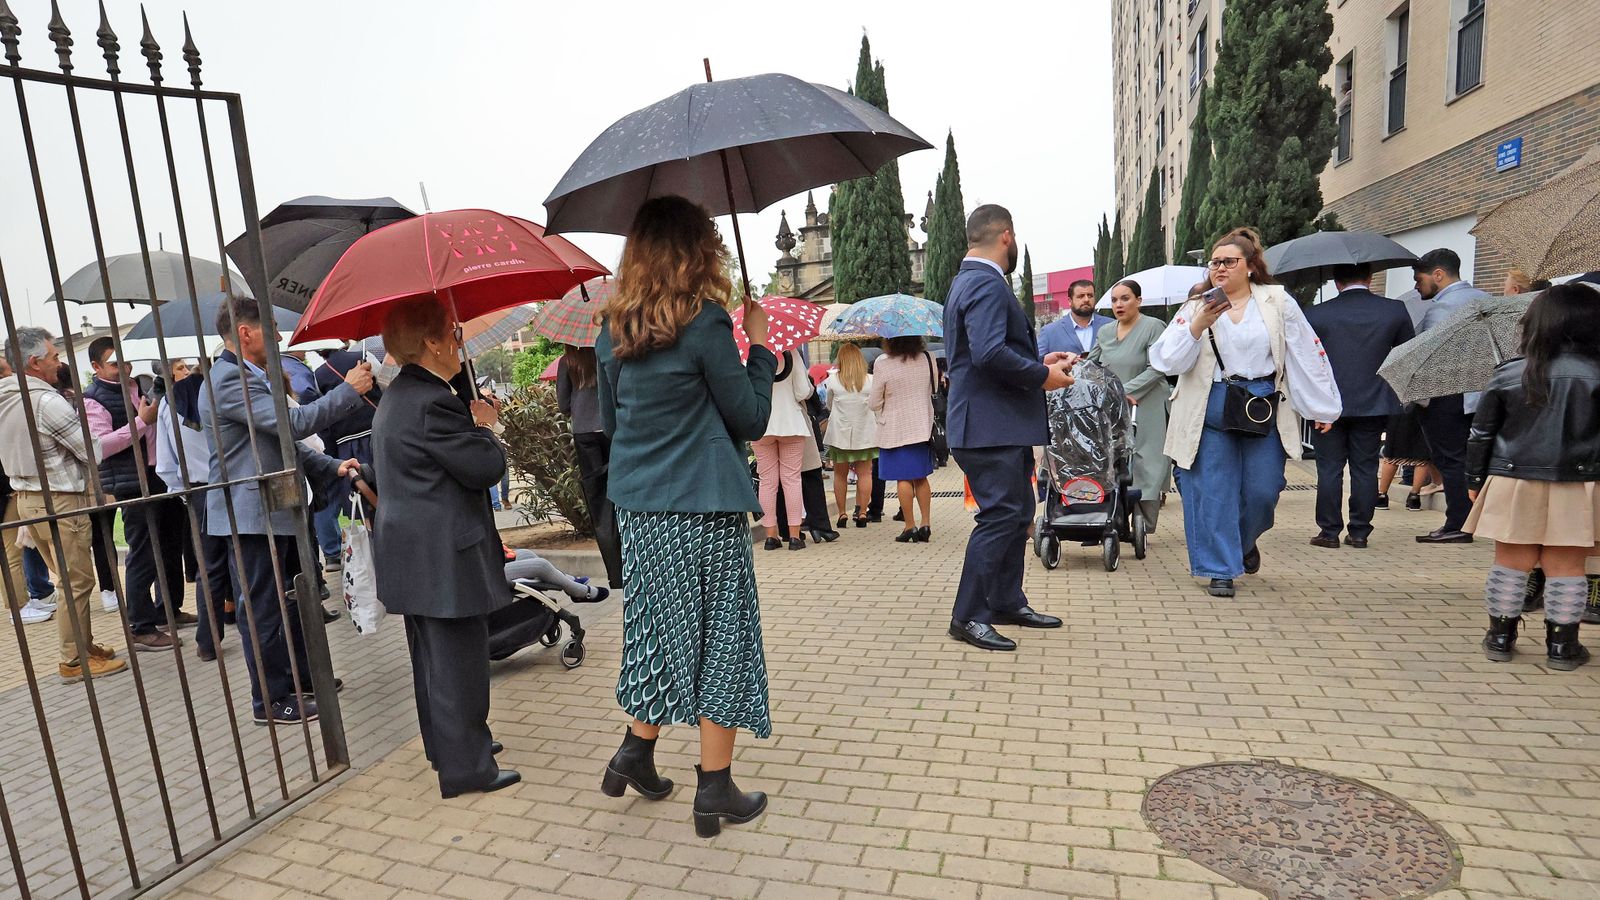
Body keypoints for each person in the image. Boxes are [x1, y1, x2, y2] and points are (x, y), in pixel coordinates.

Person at [595, 195, 774, 838]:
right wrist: (761, 349)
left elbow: (615, 425)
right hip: (701, 506)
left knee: (657, 629)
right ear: (696, 250)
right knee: (719, 640)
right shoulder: (705, 323)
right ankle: (714, 789)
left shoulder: (610, 332)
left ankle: (635, 751)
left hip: (641, 509)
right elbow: (749, 417)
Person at [369, 295, 521, 799]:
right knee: (458, 663)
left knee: (434, 660)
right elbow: (483, 468)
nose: (460, 342)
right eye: (454, 333)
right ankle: (467, 769)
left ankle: (450, 746)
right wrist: (483, 425)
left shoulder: (403, 393)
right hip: (442, 555)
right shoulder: (434, 401)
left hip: (416, 552)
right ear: (431, 343)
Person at [201, 296, 368, 726]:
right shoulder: (228, 379)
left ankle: (303, 679)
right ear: (245, 332)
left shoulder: (252, 376)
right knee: (264, 608)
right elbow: (294, 426)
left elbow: (283, 446)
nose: (278, 338)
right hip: (251, 514)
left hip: (278, 507)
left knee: (295, 598)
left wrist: (333, 466)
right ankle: (271, 701)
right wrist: (348, 391)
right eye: (271, 328)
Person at [1149, 227, 1342, 598]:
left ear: (1251, 267)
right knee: (1213, 490)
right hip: (1209, 403)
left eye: (1229, 261)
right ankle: (1220, 568)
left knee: (1264, 490)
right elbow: (1166, 360)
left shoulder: (1277, 301)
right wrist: (1197, 324)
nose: (1219, 268)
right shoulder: (1197, 306)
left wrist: (1323, 406)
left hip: (1260, 402)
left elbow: (1305, 352)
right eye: (1215, 262)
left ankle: (1241, 542)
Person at [943, 204, 1073, 651]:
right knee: (1001, 517)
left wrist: (1040, 363)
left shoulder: (971, 281)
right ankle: (968, 616)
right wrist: (1042, 376)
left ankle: (1005, 600)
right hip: (988, 428)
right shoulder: (984, 282)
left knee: (1017, 514)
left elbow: (987, 356)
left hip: (997, 425)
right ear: (1007, 237)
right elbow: (988, 354)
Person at [1466, 283, 1600, 670]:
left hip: (1512, 478)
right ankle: (1562, 647)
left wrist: (1475, 481)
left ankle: (1500, 637)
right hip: (1581, 482)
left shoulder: (1510, 372)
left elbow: (1481, 434)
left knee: (1510, 562)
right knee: (1568, 566)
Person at [0, 328, 127, 683]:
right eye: (54, 356)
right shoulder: (46, 401)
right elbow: (93, 450)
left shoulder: (6, 397)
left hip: (27, 498)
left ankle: (83, 646)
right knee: (77, 580)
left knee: (69, 578)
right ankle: (73, 660)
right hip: (58, 500)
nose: (59, 362)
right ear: (34, 362)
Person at [83, 337, 193, 651]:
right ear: (97, 366)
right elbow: (100, 446)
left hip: (160, 475)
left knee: (171, 543)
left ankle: (168, 609)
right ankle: (140, 625)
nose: (125, 367)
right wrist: (141, 422)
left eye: (126, 361)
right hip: (132, 482)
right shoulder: (94, 398)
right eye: (115, 363)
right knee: (143, 551)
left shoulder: (141, 385)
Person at [1303, 264, 1416, 549]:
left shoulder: (1317, 314)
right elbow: (1406, 354)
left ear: (1335, 282)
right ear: (1369, 278)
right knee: (1365, 468)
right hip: (1375, 402)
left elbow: (1307, 360)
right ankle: (1360, 531)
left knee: (1329, 468)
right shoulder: (1394, 310)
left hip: (1328, 403)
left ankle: (1329, 531)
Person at [156, 368, 236, 662]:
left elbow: (165, 464)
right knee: (245, 559)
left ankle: (208, 640)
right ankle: (253, 629)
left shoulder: (168, 401)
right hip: (236, 483)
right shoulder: (228, 388)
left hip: (198, 491)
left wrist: (183, 491)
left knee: (209, 568)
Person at [1411, 248, 1491, 544]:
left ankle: (1458, 522)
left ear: (1439, 274)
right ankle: (1469, 519)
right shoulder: (1487, 299)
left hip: (1447, 394)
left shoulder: (1442, 308)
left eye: (1419, 279)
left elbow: (1426, 355)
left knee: (1450, 459)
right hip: (1482, 394)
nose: (1417, 286)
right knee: (1469, 459)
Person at [1086, 278, 1171, 530]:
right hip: (1112, 407)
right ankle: (1113, 516)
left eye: (1125, 298)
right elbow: (1092, 365)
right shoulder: (1104, 332)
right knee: (1114, 459)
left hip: (1147, 403)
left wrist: (1123, 390)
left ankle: (1144, 523)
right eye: (1114, 300)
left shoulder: (1154, 326)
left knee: (1147, 462)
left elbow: (1157, 367)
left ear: (1139, 301)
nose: (1119, 304)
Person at [557, 345, 624, 591]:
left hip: (584, 433)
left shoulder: (568, 361)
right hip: (611, 430)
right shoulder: (607, 352)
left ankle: (616, 575)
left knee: (598, 503)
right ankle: (633, 561)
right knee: (620, 495)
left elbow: (563, 404)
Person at [870, 336, 939, 543]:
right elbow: (933, 388)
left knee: (903, 478)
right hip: (922, 426)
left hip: (895, 429)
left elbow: (874, 402)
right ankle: (926, 524)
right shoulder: (928, 358)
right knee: (921, 476)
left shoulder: (882, 363)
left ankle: (910, 526)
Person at [753, 349, 814, 551]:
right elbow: (803, 391)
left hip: (762, 424)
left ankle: (771, 536)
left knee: (767, 482)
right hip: (790, 421)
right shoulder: (792, 353)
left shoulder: (750, 354)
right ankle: (795, 536)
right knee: (792, 479)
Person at [824, 343, 876, 527]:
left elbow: (829, 405)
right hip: (865, 433)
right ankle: (862, 512)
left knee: (840, 475)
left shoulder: (833, 381)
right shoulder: (870, 380)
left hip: (840, 434)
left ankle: (841, 514)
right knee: (865, 474)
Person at [1037, 279, 1113, 358]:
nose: (1086, 299)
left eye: (1090, 295)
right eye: (1081, 296)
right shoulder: (1049, 332)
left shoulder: (1111, 326)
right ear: (1070, 301)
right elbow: (1038, 363)